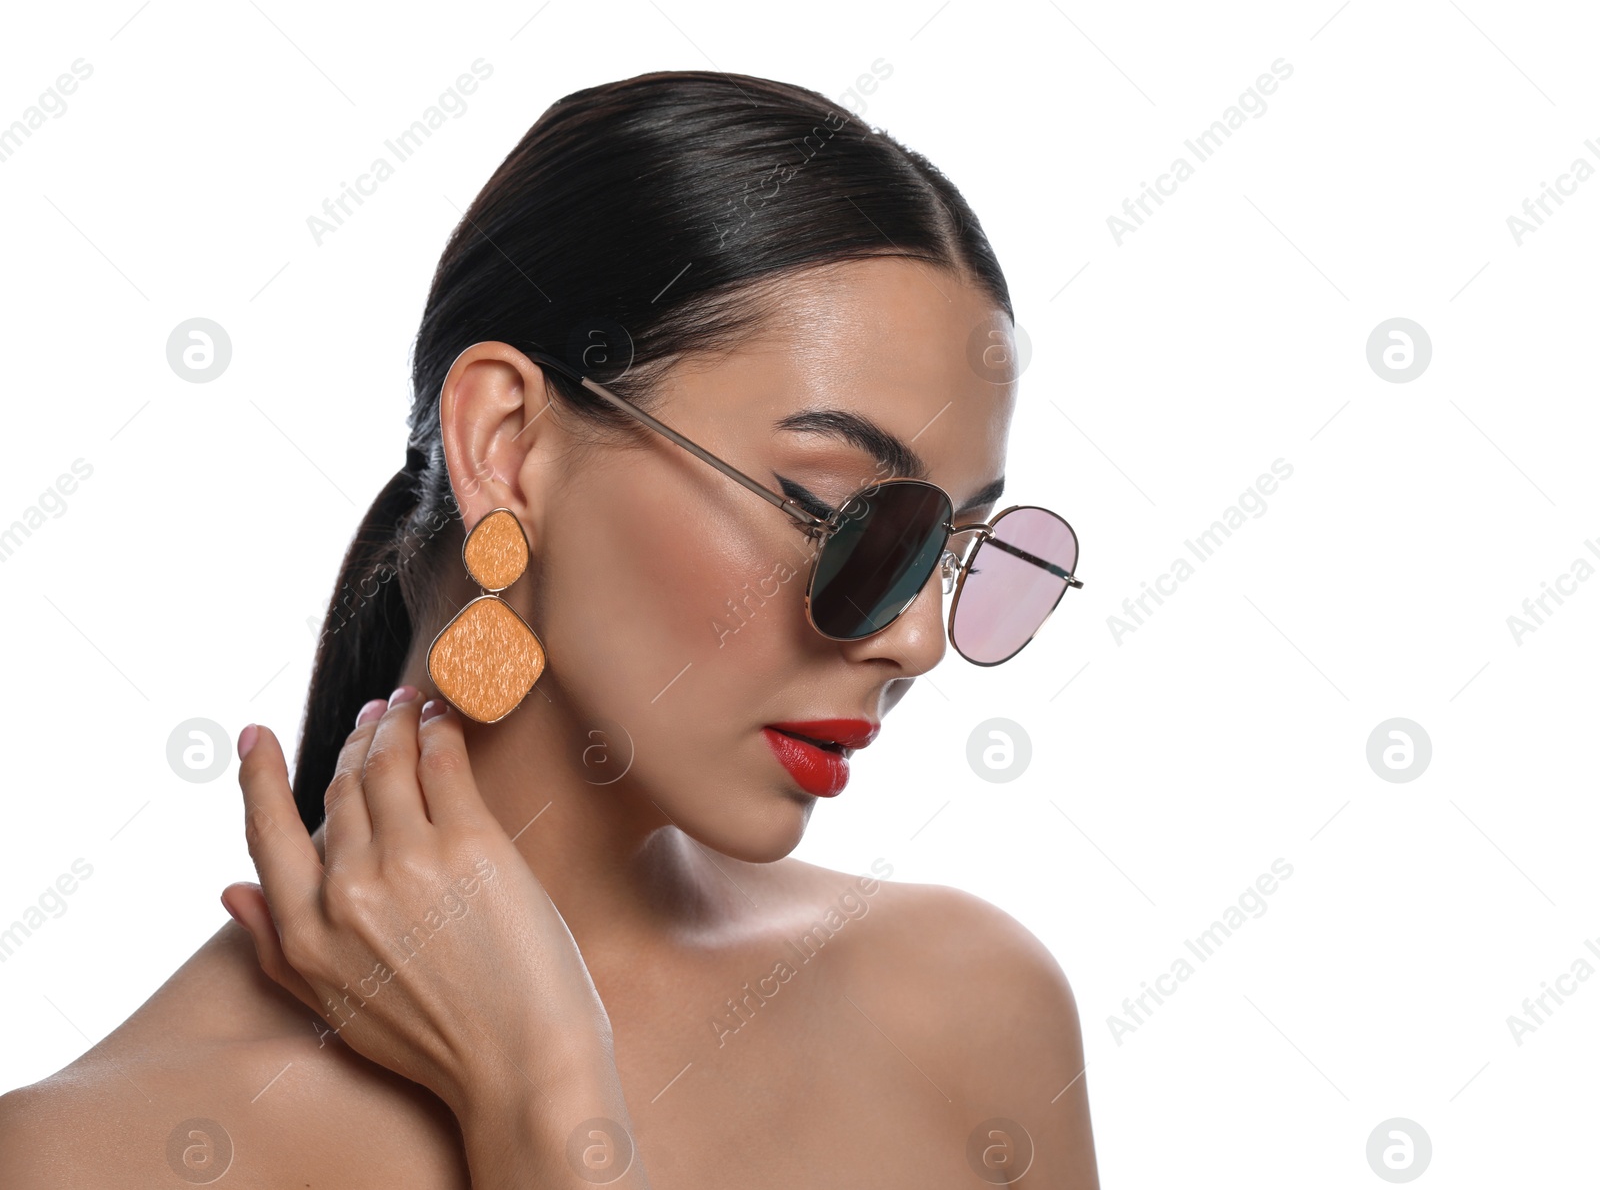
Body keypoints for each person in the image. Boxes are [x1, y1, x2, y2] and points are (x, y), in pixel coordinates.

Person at [0, 70, 1099, 1187]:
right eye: (842, 513)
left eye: (955, 546)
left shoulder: (970, 1010)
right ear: (508, 441)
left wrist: (539, 1094)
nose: (915, 640)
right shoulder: (102, 1154)